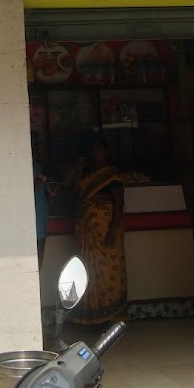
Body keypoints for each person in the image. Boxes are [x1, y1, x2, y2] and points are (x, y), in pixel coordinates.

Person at [73, 137, 126, 325]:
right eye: (93, 151)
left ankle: (111, 316)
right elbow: (76, 191)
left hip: (105, 231)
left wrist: (112, 230)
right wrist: (79, 168)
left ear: (107, 152)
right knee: (88, 269)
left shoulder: (112, 175)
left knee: (107, 270)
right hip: (87, 230)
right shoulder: (88, 174)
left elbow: (119, 204)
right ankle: (91, 315)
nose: (95, 155)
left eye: (98, 151)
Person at [32, 135, 54, 270]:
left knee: (38, 264)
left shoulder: (39, 167)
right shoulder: (18, 167)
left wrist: (51, 190)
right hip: (26, 224)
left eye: (38, 148)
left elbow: (48, 194)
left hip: (40, 221)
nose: (36, 151)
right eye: (33, 148)